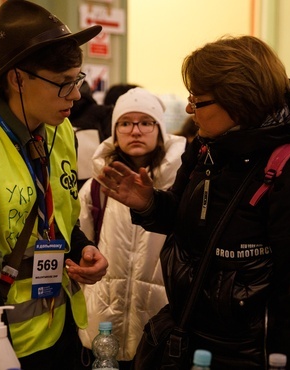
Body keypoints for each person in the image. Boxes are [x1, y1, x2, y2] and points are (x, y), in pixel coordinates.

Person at [97, 35, 290, 369]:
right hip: (189, 337)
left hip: (248, 357)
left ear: (238, 101)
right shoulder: (206, 150)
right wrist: (148, 204)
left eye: (198, 100)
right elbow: (188, 224)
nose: (188, 109)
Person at [0, 1, 108, 369]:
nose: (76, 95)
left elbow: (61, 215)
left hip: (63, 326)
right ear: (17, 79)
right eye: (63, 84)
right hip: (5, 339)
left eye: (77, 81)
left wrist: (82, 248)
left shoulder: (61, 132)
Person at [77, 87, 186, 369]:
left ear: (160, 129)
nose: (135, 131)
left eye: (146, 122)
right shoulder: (97, 188)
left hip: (160, 325)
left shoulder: (180, 186)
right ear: (114, 131)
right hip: (102, 324)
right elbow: (83, 244)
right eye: (125, 123)